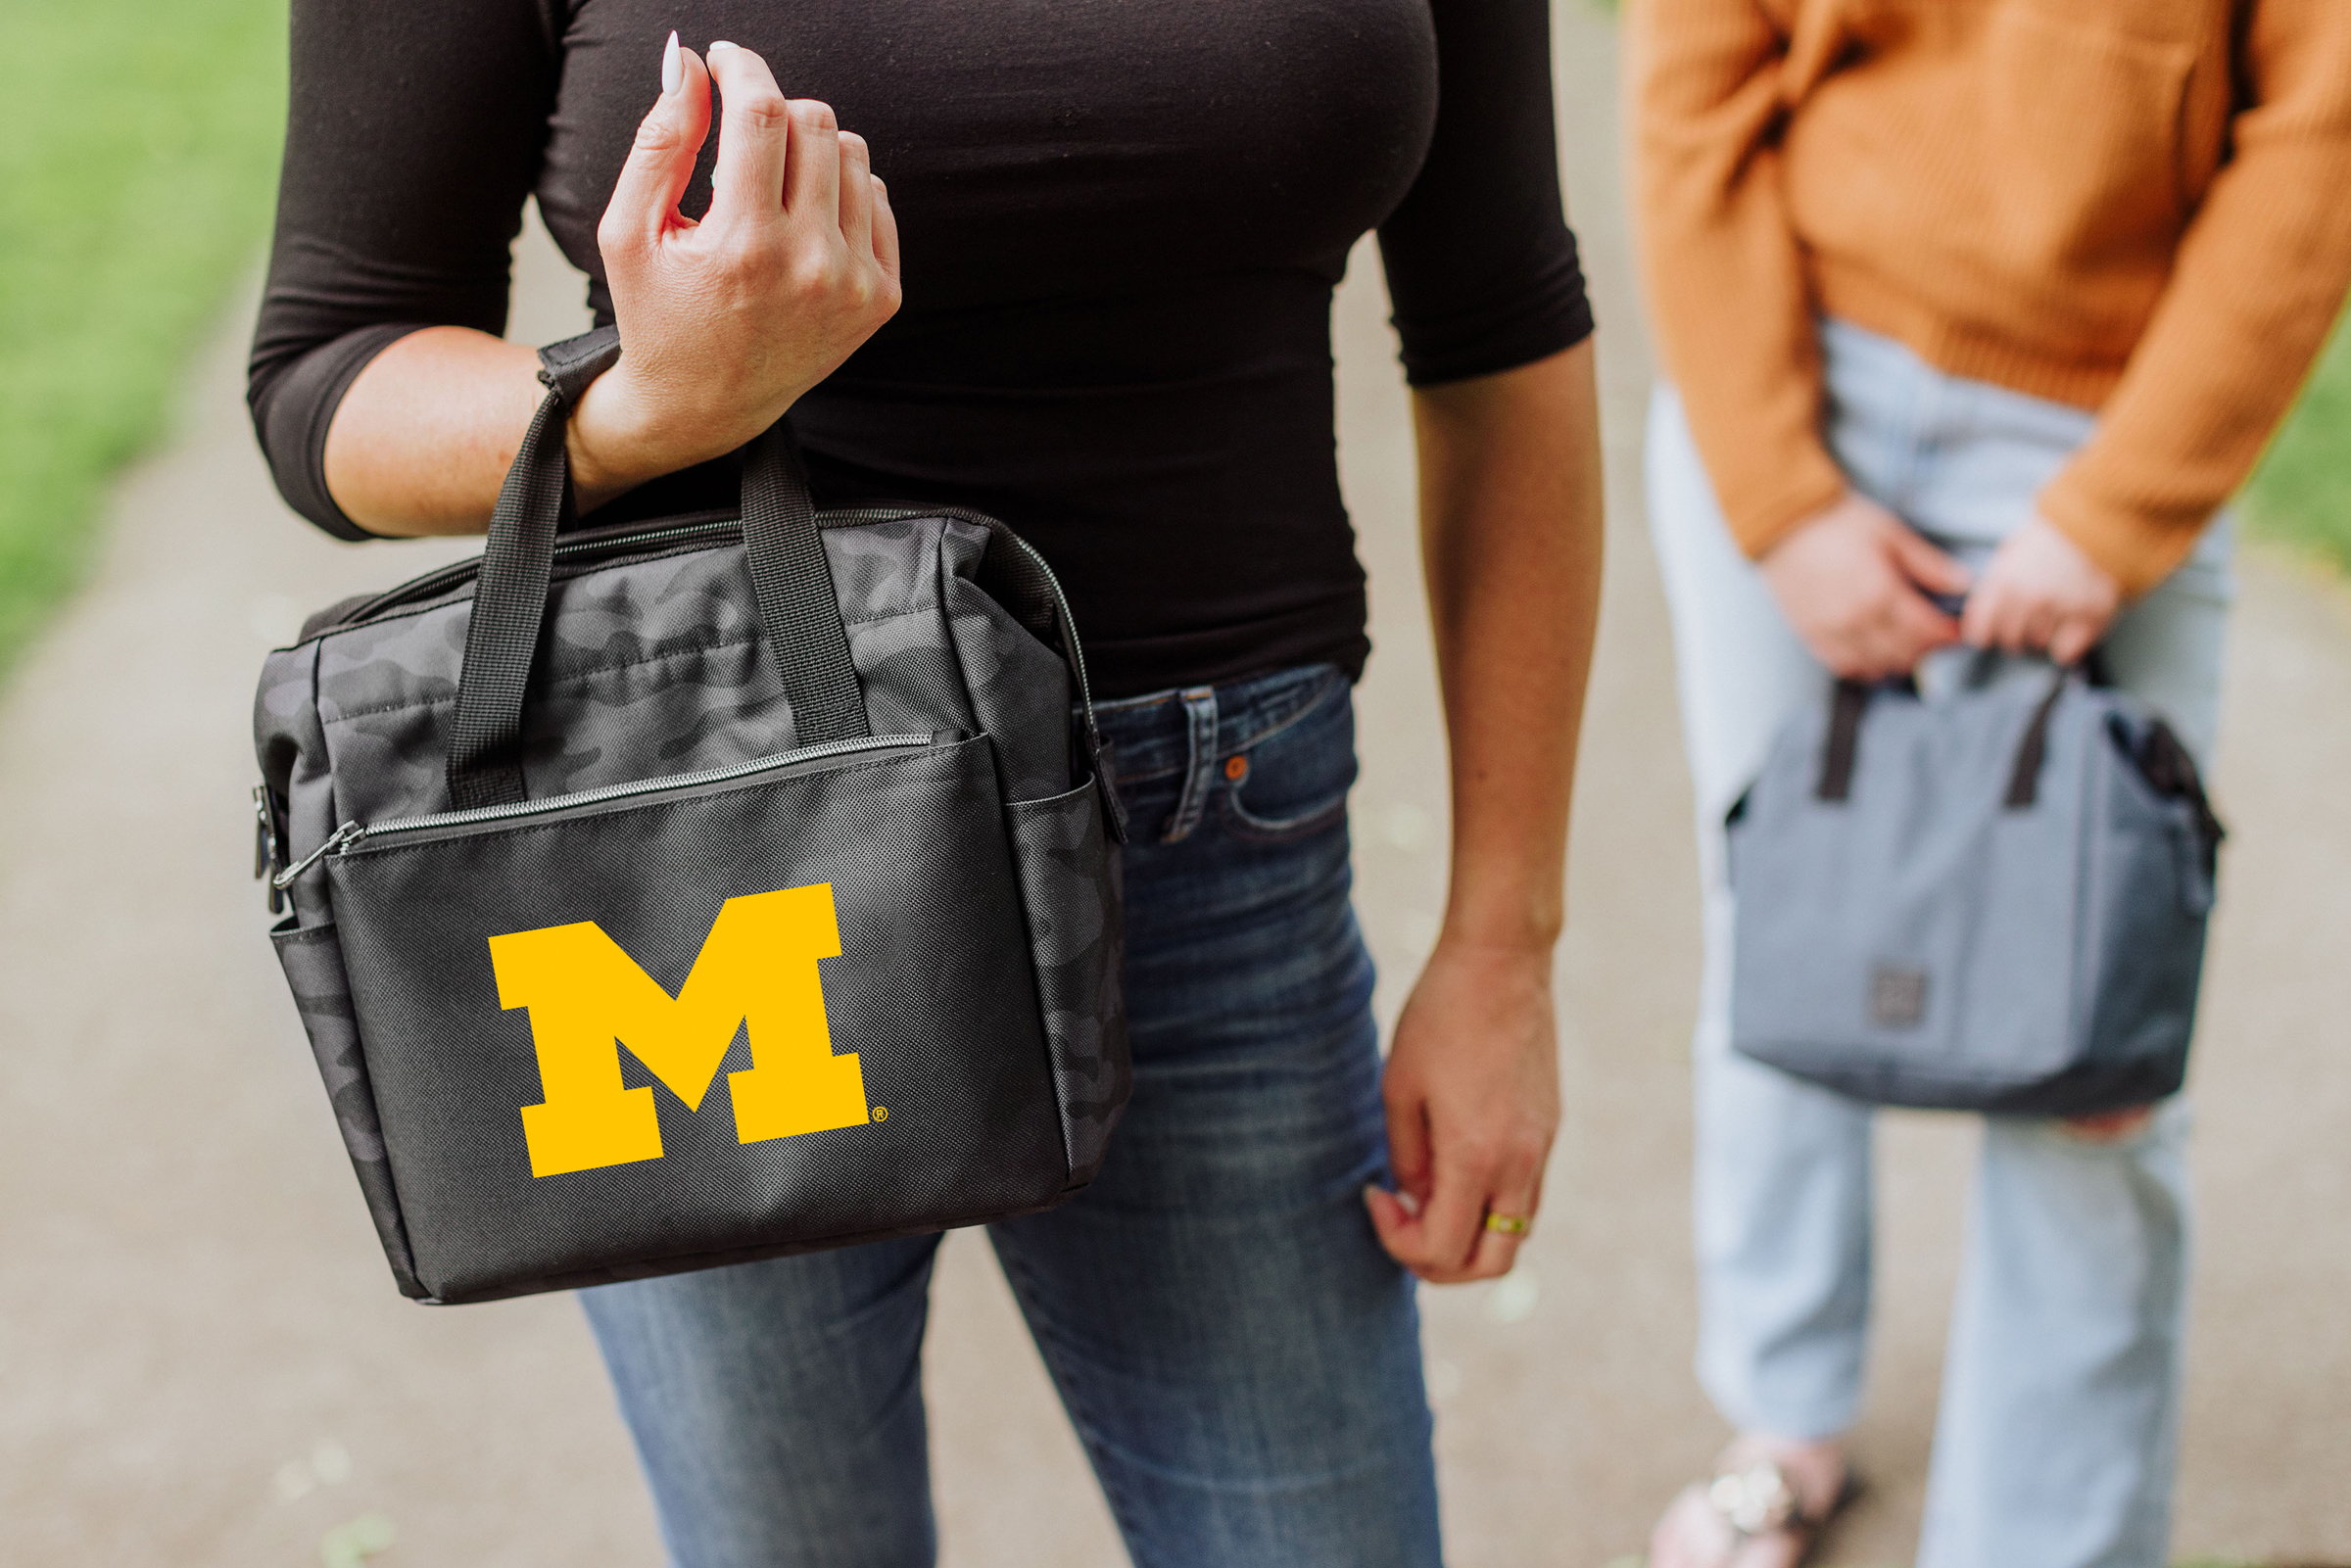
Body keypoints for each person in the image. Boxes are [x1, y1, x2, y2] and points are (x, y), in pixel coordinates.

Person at [248, 5, 1605, 1564]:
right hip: (704, 882)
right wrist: (633, 410)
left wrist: (1508, 939)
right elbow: (329, 373)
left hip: (1212, 847)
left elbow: (1505, 331)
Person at [1625, 1, 2351, 1564]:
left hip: (2112, 413)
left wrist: (2118, 509)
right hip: (1794, 372)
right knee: (1781, 937)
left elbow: (2322, 126)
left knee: (2097, 1041)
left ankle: (2050, 1539)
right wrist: (1779, 493)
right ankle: (1784, 1416)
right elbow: (1691, 81)